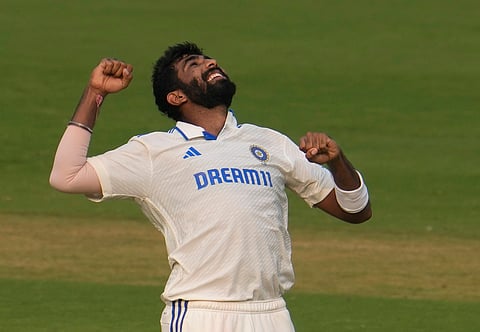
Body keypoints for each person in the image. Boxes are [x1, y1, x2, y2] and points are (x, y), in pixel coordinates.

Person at [49, 42, 372, 332]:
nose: (210, 62)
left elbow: (354, 211)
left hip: (271, 312)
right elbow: (67, 175)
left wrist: (337, 162)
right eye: (194, 64)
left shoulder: (269, 142)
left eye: (209, 60)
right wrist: (96, 93)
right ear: (177, 96)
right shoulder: (153, 152)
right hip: (202, 314)